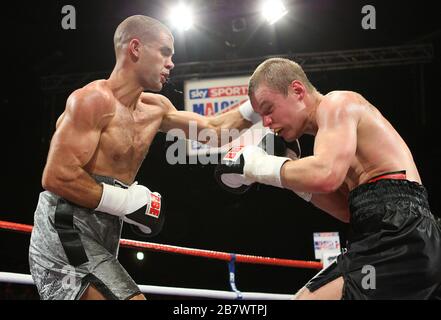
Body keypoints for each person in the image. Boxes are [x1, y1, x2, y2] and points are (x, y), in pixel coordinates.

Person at [28, 15, 251, 300]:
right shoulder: (93, 100)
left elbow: (215, 132)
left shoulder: (156, 109)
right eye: (165, 52)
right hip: (65, 229)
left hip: (104, 233)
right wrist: (126, 201)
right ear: (135, 48)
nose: (171, 63)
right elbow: (56, 176)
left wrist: (258, 107)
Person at [215, 57, 441, 299]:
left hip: (400, 232)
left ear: (298, 90)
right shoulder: (332, 146)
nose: (267, 122)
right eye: (261, 116)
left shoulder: (338, 103)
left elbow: (326, 176)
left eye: (269, 109)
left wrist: (255, 165)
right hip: (383, 233)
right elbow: (346, 210)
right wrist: (289, 172)